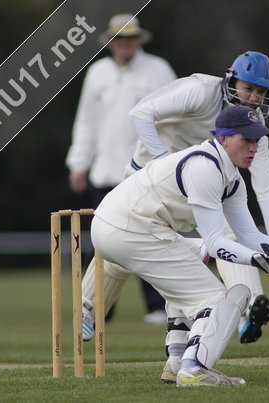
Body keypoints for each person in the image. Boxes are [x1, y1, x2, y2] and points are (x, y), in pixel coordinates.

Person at [90, 106, 269, 386]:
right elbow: (216, 242)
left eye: (257, 140)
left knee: (192, 263)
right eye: (246, 139)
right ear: (223, 139)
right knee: (218, 298)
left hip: (125, 227)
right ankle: (194, 368)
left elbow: (249, 236)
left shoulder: (231, 179)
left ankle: (176, 361)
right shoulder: (205, 166)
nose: (253, 147)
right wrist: (261, 260)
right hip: (129, 228)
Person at [82, 51, 269, 349]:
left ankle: (246, 308)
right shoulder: (201, 90)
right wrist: (164, 162)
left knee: (228, 235)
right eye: (249, 88)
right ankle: (88, 308)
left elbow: (265, 185)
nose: (254, 98)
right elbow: (141, 113)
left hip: (200, 184)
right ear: (231, 80)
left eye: (261, 92)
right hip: (150, 181)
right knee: (121, 248)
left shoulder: (252, 125)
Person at [65, 14, 176, 326]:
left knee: (151, 237)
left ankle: (160, 306)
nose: (124, 44)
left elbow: (175, 119)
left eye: (130, 38)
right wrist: (78, 163)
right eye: (119, 39)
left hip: (147, 172)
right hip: (105, 173)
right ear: (110, 42)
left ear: (139, 40)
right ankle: (96, 309)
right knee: (102, 241)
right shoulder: (97, 73)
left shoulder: (159, 70)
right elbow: (86, 122)